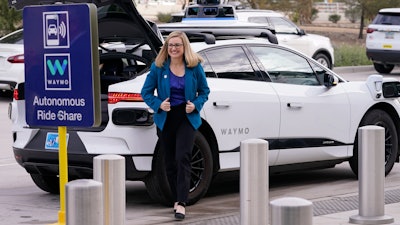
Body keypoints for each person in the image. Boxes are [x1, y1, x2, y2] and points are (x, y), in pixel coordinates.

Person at [140, 31, 210, 220]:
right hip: (166, 118)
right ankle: (175, 197)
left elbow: (204, 91)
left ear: (184, 46)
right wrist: (158, 104)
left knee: (183, 158)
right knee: (170, 162)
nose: (173, 48)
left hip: (186, 118)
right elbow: (145, 92)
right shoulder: (159, 67)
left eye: (177, 45)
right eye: (170, 45)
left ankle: (181, 202)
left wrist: (195, 104)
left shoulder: (194, 67)